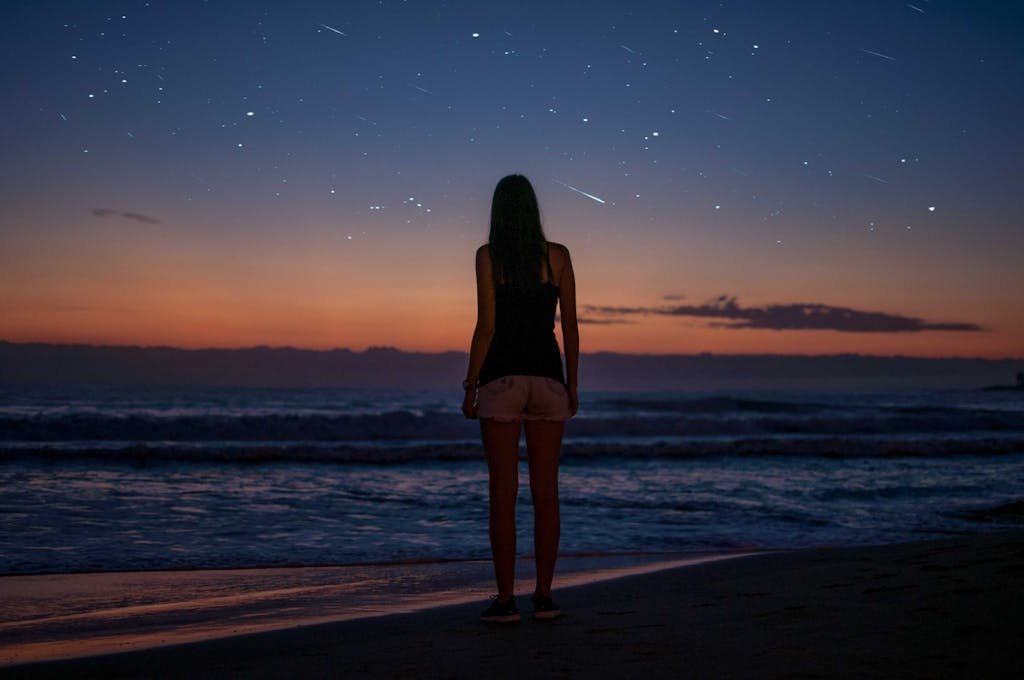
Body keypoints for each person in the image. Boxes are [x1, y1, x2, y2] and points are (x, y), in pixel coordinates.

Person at [462, 174, 579, 623]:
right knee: (546, 493)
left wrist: (470, 386)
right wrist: (573, 385)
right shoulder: (558, 257)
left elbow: (487, 327)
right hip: (549, 381)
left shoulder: (489, 257)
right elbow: (569, 328)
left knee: (503, 494)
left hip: (502, 382)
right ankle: (545, 595)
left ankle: (506, 599)